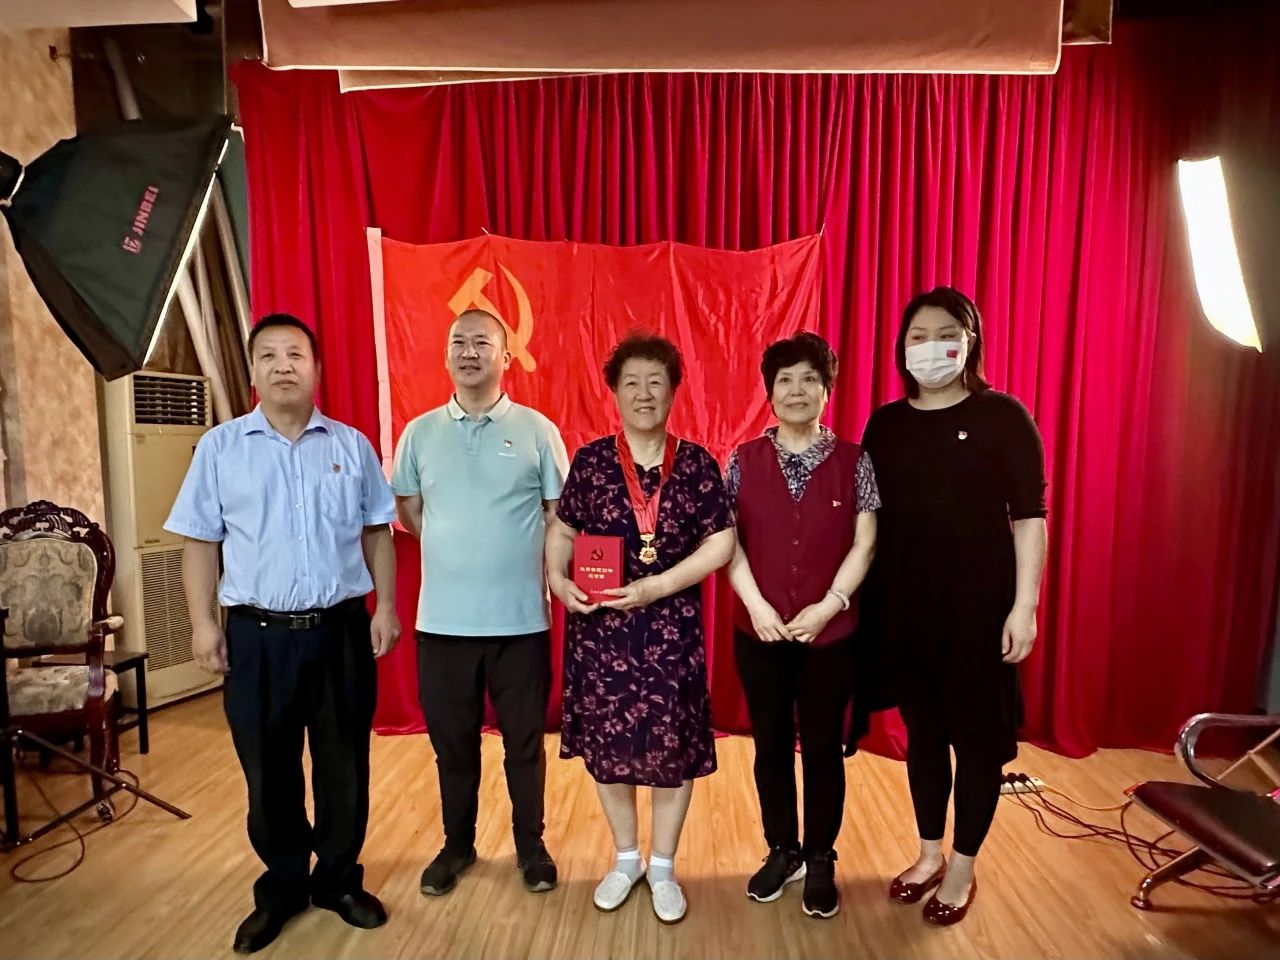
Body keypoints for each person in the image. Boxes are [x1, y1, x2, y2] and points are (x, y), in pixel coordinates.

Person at [167, 313, 400, 955]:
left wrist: (385, 607)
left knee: (343, 763)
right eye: (268, 355)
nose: (283, 366)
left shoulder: (351, 446)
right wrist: (203, 624)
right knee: (267, 770)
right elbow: (199, 543)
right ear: (252, 371)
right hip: (257, 636)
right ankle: (283, 886)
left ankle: (339, 882)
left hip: (339, 631)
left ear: (316, 368)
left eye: (295, 354)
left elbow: (377, 532)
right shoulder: (220, 449)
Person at [861, 287, 1047, 926]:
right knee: (924, 737)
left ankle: (963, 867)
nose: (930, 346)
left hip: (981, 610)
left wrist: (1024, 606)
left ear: (970, 342)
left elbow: (1030, 517)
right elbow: (868, 520)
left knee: (977, 742)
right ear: (901, 347)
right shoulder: (886, 424)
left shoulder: (1003, 416)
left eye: (946, 333)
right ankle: (928, 853)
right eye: (918, 335)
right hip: (906, 607)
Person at [545, 334, 735, 924]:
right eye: (631, 383)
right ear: (615, 393)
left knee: (672, 749)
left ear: (674, 390)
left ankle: (663, 866)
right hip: (603, 634)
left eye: (656, 381)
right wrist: (557, 578)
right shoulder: (592, 462)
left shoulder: (697, 463)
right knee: (610, 747)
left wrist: (658, 586)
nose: (644, 393)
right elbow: (564, 529)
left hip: (672, 630)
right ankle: (626, 858)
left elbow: (722, 543)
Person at [391, 308, 569, 898]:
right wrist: (455, 545)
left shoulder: (538, 431)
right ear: (446, 355)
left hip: (520, 623)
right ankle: (457, 845)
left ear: (506, 357)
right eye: (459, 343)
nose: (469, 353)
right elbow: (410, 510)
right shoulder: (419, 433)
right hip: (442, 624)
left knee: (525, 744)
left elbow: (558, 517)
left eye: (482, 343)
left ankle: (531, 846)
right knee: (453, 746)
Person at [725, 332, 878, 919]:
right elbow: (728, 543)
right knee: (769, 744)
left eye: (808, 379)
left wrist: (830, 604)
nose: (796, 390)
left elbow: (865, 543)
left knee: (821, 746)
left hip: (830, 635)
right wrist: (758, 607)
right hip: (758, 631)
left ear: (826, 390)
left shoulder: (855, 462)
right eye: (784, 380)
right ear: (769, 392)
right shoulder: (741, 461)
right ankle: (781, 849)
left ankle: (819, 856)